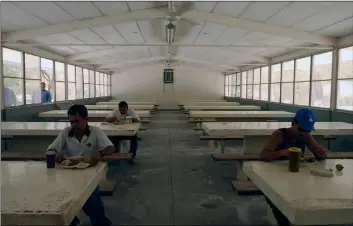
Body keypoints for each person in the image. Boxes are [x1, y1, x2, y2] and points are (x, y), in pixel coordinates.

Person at [47, 104, 114, 226]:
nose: (74, 125)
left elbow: (111, 147)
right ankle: (73, 220)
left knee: (92, 202)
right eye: (71, 122)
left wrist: (100, 152)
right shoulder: (66, 133)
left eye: (77, 121)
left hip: (91, 175)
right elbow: (51, 150)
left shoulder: (95, 132)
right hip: (69, 175)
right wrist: (56, 154)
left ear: (86, 119)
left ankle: (100, 222)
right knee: (62, 203)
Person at [259, 108, 328, 226]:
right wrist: (281, 153)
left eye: (307, 130)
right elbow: (263, 155)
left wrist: (322, 153)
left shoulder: (306, 135)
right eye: (301, 129)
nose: (303, 133)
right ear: (293, 124)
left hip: (296, 175)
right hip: (275, 174)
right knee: (276, 199)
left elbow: (318, 154)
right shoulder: (279, 135)